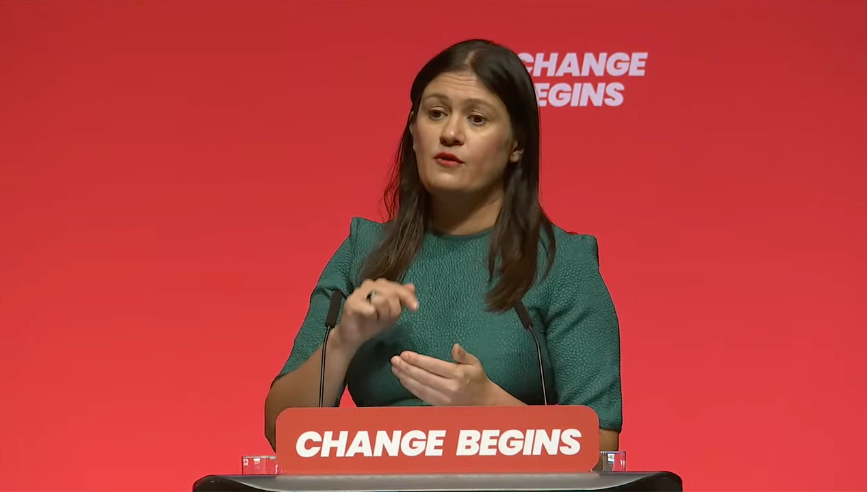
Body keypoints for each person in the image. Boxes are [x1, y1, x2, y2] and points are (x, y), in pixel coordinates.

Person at [264, 39, 622, 453]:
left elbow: (600, 446)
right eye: (436, 113)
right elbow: (281, 431)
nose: (450, 134)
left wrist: (489, 406)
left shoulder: (563, 265)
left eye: (477, 118)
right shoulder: (363, 252)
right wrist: (344, 339)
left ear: (517, 145)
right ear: (414, 129)